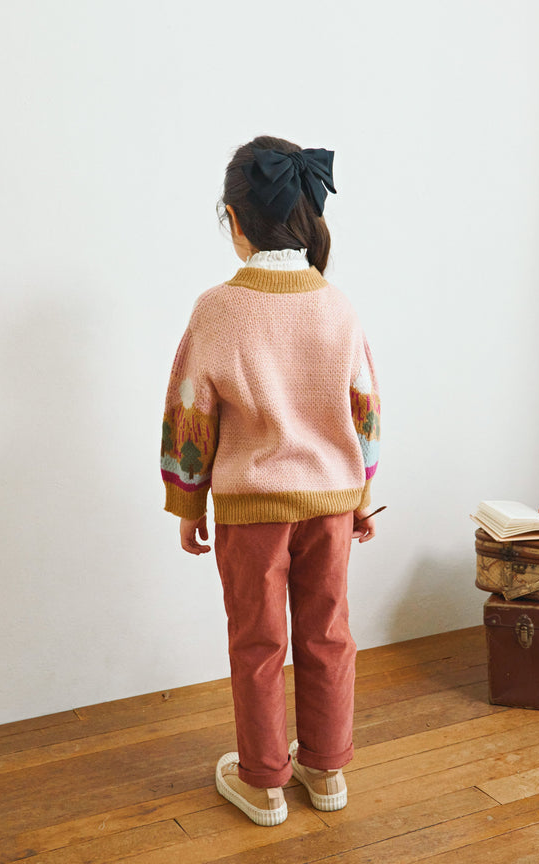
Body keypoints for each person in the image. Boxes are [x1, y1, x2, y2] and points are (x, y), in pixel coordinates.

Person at [160, 135, 381, 826]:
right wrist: (362, 497)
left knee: (258, 643)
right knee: (328, 634)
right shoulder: (338, 305)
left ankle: (262, 783)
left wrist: (187, 503)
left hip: (251, 509)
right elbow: (366, 412)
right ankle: (326, 767)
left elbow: (190, 411)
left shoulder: (218, 309)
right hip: (331, 505)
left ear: (235, 219)